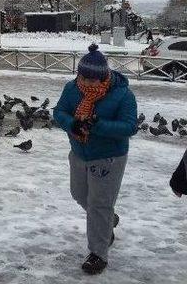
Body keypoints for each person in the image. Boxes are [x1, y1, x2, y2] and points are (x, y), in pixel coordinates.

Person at [53, 43, 137, 275]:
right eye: (84, 78)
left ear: (103, 77)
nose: (87, 84)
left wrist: (99, 125)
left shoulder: (123, 94)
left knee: (99, 204)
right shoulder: (72, 89)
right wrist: (72, 124)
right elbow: (59, 112)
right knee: (79, 194)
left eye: (93, 80)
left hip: (109, 157)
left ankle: (98, 253)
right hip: (79, 152)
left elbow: (130, 126)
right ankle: (108, 219)